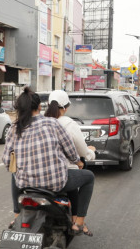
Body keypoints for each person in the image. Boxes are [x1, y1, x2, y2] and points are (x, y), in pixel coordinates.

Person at [2, 87, 95, 236]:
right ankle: (79, 222)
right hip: (55, 183)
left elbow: (6, 161)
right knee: (89, 177)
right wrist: (78, 162)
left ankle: (17, 216)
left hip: (25, 185)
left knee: (13, 173)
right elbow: (71, 150)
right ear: (40, 107)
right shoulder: (52, 123)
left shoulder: (14, 128)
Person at [44, 90, 96, 230]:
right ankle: (79, 221)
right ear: (66, 108)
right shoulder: (67, 124)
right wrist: (90, 153)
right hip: (60, 174)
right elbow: (80, 150)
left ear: (48, 104)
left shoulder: (39, 122)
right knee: (86, 176)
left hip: (35, 175)